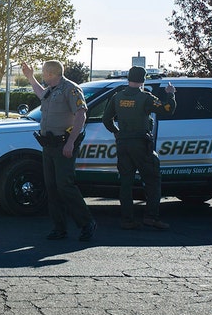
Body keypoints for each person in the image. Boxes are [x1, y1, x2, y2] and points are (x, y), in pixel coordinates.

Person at [22, 60, 96, 242]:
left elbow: (81, 114)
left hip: (63, 145)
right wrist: (30, 78)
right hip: (48, 145)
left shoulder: (70, 88)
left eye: (42, 72)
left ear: (50, 73)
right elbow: (41, 94)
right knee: (52, 188)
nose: (41, 74)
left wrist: (71, 143)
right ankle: (59, 228)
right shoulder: (52, 89)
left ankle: (87, 223)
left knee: (65, 185)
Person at [102, 66, 177, 230]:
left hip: (123, 145)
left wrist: (117, 133)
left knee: (126, 183)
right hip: (141, 145)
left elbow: (106, 119)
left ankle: (127, 220)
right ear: (143, 80)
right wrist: (171, 93)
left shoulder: (117, 97)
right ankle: (151, 217)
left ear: (128, 78)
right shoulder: (145, 98)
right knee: (152, 180)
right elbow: (167, 109)